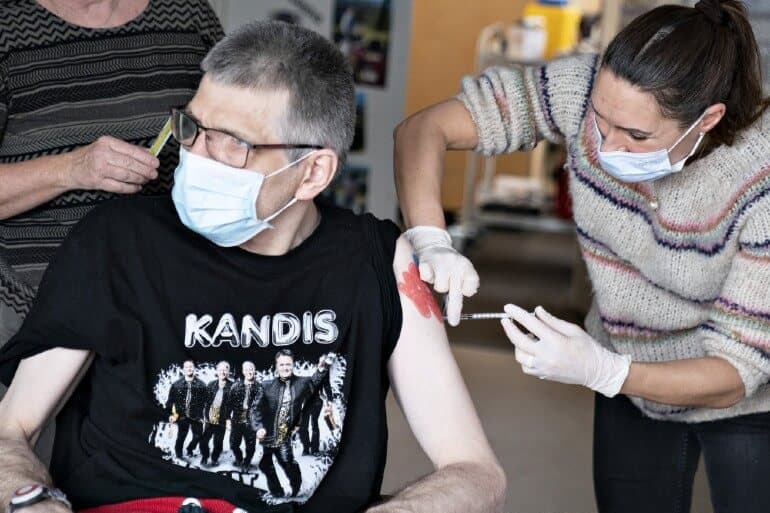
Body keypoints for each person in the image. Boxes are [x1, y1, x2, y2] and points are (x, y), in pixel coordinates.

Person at [0, 20, 505, 513]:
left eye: (233, 143)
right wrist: (31, 503)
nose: (196, 156)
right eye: (192, 127)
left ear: (313, 172)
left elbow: (476, 473)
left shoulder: (377, 262)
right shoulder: (117, 241)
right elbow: (10, 431)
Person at [393, 1, 769, 512]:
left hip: (741, 397)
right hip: (628, 376)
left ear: (708, 119)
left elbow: (736, 372)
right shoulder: (580, 89)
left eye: (636, 136)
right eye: (600, 119)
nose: (605, 147)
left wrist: (605, 371)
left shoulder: (759, 180)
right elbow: (422, 130)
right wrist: (430, 239)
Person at [0, 0, 224, 346]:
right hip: (29, 312)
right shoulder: (8, 25)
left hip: (173, 305)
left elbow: (238, 127)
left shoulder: (188, 14)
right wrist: (73, 168)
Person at [251, 350, 332, 498]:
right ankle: (277, 491)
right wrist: (259, 427)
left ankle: (296, 487)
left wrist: (321, 369)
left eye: (288, 364)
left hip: (284, 433)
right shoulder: (266, 385)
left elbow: (315, 381)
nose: (285, 367)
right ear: (277, 366)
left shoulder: (302, 383)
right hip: (268, 432)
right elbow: (255, 409)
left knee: (287, 462)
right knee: (265, 464)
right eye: (281, 364)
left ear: (293, 365)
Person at [166, 359, 207, 460]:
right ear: (183, 369)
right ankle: (179, 454)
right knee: (181, 436)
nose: (189, 369)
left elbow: (206, 402)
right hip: (182, 416)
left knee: (198, 436)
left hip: (197, 416)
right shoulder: (176, 385)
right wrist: (172, 415)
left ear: (194, 368)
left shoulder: (201, 385)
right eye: (186, 367)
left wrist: (204, 416)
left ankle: (190, 448)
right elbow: (170, 402)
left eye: (191, 367)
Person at [227, 361, 262, 472]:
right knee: (233, 444)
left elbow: (262, 407)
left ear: (254, 371)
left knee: (250, 446)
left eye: (251, 369)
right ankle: (239, 459)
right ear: (243, 372)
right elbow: (229, 404)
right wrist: (227, 418)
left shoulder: (259, 388)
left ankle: (247, 463)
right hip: (236, 421)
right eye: (246, 370)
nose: (249, 372)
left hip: (251, 422)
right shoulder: (235, 386)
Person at [199, 360, 233, 467]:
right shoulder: (211, 384)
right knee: (203, 441)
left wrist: (229, 419)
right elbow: (205, 401)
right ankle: (205, 456)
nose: (223, 372)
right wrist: (203, 415)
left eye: (225, 370)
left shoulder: (233, 386)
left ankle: (214, 459)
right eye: (220, 370)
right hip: (210, 416)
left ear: (228, 372)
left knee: (218, 442)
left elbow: (234, 404)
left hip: (222, 418)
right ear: (217, 371)